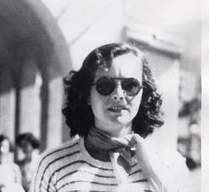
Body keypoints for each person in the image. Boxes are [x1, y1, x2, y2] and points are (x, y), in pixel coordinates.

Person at [32, 43, 189, 192]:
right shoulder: (52, 165)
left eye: (130, 86)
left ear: (143, 94)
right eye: (105, 85)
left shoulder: (170, 165)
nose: (119, 95)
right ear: (86, 94)